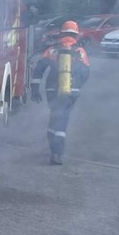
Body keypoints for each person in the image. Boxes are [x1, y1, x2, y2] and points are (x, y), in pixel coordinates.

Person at [31, 20, 90, 165]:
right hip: (72, 91)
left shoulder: (52, 50)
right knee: (62, 120)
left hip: (52, 90)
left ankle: (52, 148)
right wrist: (77, 86)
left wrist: (34, 90)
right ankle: (56, 153)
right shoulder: (80, 52)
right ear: (76, 35)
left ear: (61, 33)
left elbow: (39, 70)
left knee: (55, 116)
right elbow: (86, 72)